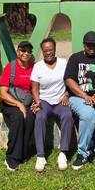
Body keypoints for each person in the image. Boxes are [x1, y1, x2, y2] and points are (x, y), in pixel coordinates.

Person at [64, 31, 95, 170]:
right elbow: (69, 80)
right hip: (79, 97)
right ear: (84, 45)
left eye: (94, 45)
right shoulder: (75, 58)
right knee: (88, 115)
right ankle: (83, 153)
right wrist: (85, 96)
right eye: (89, 45)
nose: (91, 47)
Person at [31, 37, 73, 172]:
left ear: (55, 49)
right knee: (40, 117)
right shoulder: (37, 66)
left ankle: (63, 153)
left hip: (60, 100)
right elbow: (34, 88)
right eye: (45, 51)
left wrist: (66, 94)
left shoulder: (63, 63)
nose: (48, 53)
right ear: (42, 52)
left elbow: (69, 81)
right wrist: (37, 102)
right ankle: (41, 155)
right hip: (44, 101)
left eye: (50, 50)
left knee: (67, 116)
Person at [0, 40, 35, 171]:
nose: (26, 53)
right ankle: (12, 157)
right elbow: (3, 93)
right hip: (10, 102)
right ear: (18, 51)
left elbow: (36, 88)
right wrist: (18, 104)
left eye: (29, 52)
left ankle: (23, 153)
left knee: (31, 118)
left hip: (27, 102)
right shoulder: (11, 67)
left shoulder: (33, 67)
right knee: (19, 118)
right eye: (23, 51)